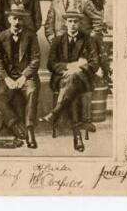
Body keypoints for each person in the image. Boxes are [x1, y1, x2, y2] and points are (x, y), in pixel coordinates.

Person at [43, 0, 103, 131]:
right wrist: (54, 41)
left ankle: (57, 113)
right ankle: (77, 120)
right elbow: (48, 25)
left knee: (75, 76)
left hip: (81, 52)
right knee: (72, 77)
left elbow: (98, 20)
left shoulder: (83, 2)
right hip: (62, 52)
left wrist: (90, 38)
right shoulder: (55, 4)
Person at [40, 9, 99, 152]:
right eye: (70, 21)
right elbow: (51, 64)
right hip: (62, 78)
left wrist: (80, 68)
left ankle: (56, 112)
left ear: (79, 23)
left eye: (76, 21)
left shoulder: (88, 40)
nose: (73, 24)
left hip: (82, 78)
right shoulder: (58, 40)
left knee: (72, 81)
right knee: (71, 85)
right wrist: (69, 66)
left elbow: (95, 63)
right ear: (66, 23)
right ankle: (77, 135)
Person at [0, 4, 40, 149]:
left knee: (31, 91)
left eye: (20, 19)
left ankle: (30, 130)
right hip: (7, 77)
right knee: (0, 98)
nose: (17, 22)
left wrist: (23, 77)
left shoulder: (31, 36)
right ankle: (16, 125)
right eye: (14, 18)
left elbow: (35, 59)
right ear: (8, 19)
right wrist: (7, 78)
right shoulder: (0, 37)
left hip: (26, 77)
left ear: (24, 20)